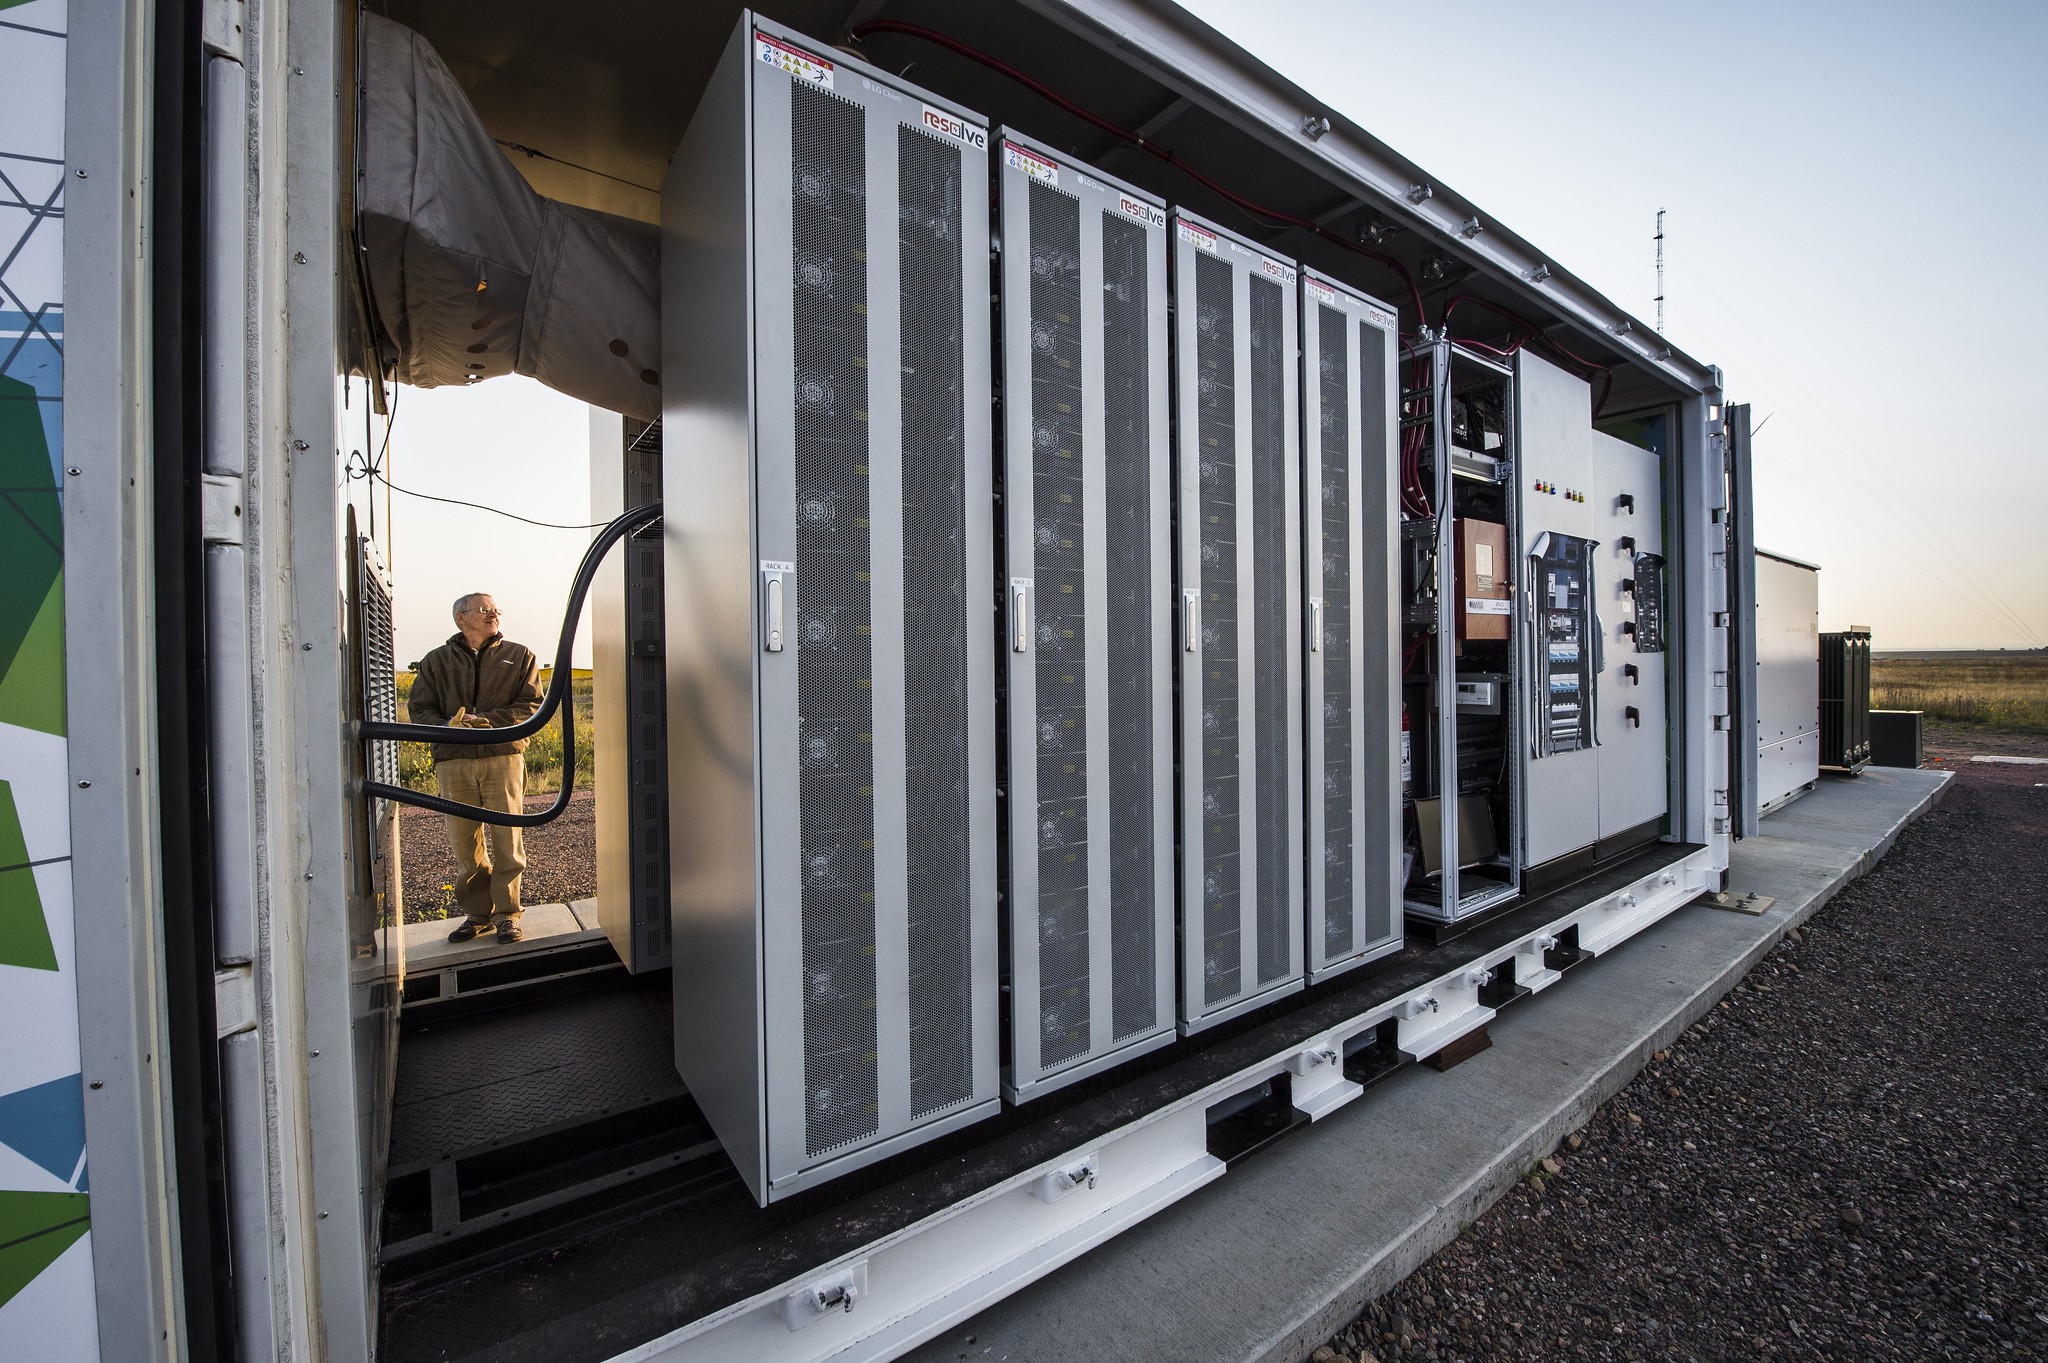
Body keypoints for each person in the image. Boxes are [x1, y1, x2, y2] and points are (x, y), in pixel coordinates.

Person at [406, 593, 545, 943]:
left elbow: (532, 704)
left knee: (508, 840)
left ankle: (509, 914)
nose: (493, 615)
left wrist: (488, 721)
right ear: (461, 618)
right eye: (484, 610)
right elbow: (420, 710)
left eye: (496, 610)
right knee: (465, 843)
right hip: (454, 760)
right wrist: (447, 727)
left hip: (503, 757)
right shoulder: (435, 661)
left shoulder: (520, 655)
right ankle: (477, 915)